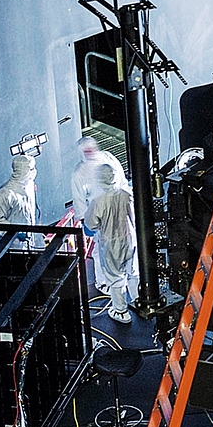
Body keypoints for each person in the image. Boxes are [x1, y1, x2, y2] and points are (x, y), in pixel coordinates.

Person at [71, 137, 127, 291]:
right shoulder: (79, 174)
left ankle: (123, 278)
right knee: (101, 250)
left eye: (91, 149)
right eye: (86, 151)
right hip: (98, 216)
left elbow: (122, 180)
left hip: (116, 209)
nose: (90, 153)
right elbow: (79, 199)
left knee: (123, 244)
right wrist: (84, 219)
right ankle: (103, 282)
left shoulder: (107, 158)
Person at [86, 164, 138, 324]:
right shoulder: (125, 193)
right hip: (129, 238)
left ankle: (121, 311)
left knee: (115, 277)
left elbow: (91, 225)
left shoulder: (97, 201)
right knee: (133, 271)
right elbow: (134, 217)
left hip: (110, 243)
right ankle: (138, 299)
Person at [0, 155, 37, 248]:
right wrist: (16, 233)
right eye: (31, 169)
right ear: (24, 170)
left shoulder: (28, 187)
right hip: (12, 246)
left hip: (29, 242)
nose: (34, 171)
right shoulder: (5, 194)